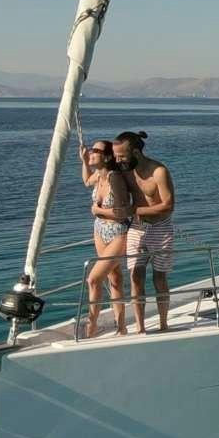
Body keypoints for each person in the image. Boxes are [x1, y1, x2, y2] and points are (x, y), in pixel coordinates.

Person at [113, 130, 175, 333]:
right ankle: (140, 328)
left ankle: (163, 324)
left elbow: (168, 205)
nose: (118, 160)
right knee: (135, 277)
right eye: (116, 156)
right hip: (137, 229)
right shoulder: (124, 171)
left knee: (159, 277)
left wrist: (134, 210)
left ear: (137, 153)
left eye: (122, 156)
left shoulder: (159, 172)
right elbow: (98, 176)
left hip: (160, 228)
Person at [79, 139, 134, 336]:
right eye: (92, 150)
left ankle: (91, 327)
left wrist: (98, 210)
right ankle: (122, 327)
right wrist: (84, 161)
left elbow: (123, 212)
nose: (92, 152)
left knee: (93, 279)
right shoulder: (98, 176)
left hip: (118, 232)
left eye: (96, 151)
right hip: (100, 231)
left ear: (108, 157)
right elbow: (86, 182)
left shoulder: (114, 178)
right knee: (115, 279)